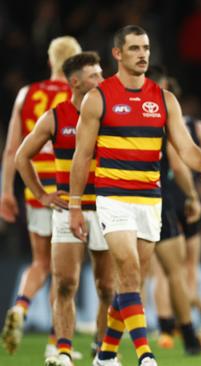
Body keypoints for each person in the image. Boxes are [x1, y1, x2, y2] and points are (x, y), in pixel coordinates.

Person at [68, 25, 201, 366]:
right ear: (118, 54)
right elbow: (82, 155)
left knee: (131, 281)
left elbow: (184, 145)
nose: (143, 54)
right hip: (113, 197)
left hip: (150, 200)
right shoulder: (99, 97)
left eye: (146, 48)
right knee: (129, 268)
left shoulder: (164, 99)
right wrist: (76, 206)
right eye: (135, 48)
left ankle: (106, 354)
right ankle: (145, 354)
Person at [14, 52, 115, 366]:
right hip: (67, 211)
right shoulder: (56, 116)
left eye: (101, 74)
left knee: (107, 287)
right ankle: (63, 351)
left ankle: (102, 350)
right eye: (94, 75)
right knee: (65, 282)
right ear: (75, 82)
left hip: (105, 210)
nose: (101, 80)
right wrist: (42, 196)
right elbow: (21, 157)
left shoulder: (110, 114)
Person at [1, 35, 81, 357]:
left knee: (40, 262)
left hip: (35, 185)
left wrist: (6, 190)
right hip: (68, 185)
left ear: (50, 61)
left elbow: (12, 149)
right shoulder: (79, 94)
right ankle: (55, 345)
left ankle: (20, 307)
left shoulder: (26, 94)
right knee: (66, 272)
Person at [144, 65, 201, 354]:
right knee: (181, 269)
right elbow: (182, 160)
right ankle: (189, 330)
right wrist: (195, 198)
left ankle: (162, 330)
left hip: (124, 196)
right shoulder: (178, 119)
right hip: (161, 199)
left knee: (147, 273)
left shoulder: (116, 107)